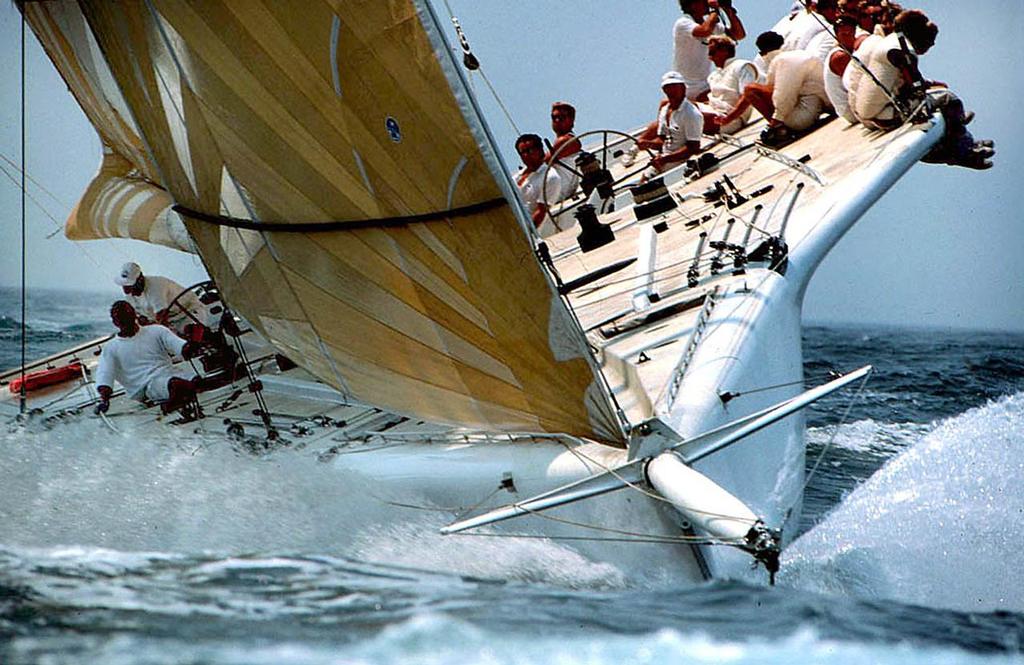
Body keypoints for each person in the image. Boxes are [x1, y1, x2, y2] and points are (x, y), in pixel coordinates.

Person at [717, 31, 830, 146]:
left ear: (762, 53)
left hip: (801, 119)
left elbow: (783, 96)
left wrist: (774, 123)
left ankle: (780, 130)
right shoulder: (798, 53)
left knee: (751, 90)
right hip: (820, 106)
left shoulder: (780, 61)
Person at [94, 300, 201, 415]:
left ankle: (182, 397)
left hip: (170, 374)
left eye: (128, 315)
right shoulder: (111, 348)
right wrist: (104, 400)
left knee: (198, 381)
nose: (125, 320)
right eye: (121, 318)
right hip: (146, 386)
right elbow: (105, 374)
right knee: (178, 385)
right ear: (115, 322)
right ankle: (172, 405)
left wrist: (192, 344)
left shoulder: (157, 331)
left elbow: (180, 346)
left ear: (135, 314)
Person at [673, 0, 746, 103]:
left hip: (704, 85)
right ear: (693, 4)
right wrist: (714, 9)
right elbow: (704, 31)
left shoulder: (713, 26)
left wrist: (728, 10)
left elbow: (739, 35)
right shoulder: (683, 23)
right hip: (685, 85)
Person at [637, 71, 704, 182]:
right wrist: (648, 144)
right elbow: (662, 139)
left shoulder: (691, 113)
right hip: (664, 159)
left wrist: (665, 159)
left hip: (681, 162)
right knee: (642, 184)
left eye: (674, 86)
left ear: (683, 88)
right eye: (667, 87)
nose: (670, 91)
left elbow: (693, 148)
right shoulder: (665, 110)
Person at [115, 262, 207, 337]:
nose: (126, 290)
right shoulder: (129, 296)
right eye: (124, 285)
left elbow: (162, 318)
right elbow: (139, 318)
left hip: (189, 313)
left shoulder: (156, 287)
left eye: (129, 286)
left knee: (191, 334)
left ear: (140, 281)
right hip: (170, 322)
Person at [701, 35, 762, 134]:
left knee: (691, 116)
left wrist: (729, 118)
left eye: (712, 53)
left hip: (731, 117)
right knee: (671, 107)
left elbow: (747, 96)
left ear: (724, 51)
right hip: (712, 110)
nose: (710, 58)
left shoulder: (741, 66)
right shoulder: (713, 76)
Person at [515, 133, 565, 237]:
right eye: (522, 152)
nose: (526, 155)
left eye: (530, 150)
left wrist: (524, 234)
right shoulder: (515, 178)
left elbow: (541, 212)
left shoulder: (550, 177)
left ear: (540, 150)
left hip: (528, 233)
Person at [824, 15, 864, 124]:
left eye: (851, 33)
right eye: (844, 34)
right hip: (849, 110)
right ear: (837, 36)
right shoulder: (840, 56)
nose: (849, 37)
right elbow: (854, 85)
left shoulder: (852, 49)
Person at [545, 102, 582, 201]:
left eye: (561, 118)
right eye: (554, 118)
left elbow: (542, 163)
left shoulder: (567, 140)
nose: (557, 120)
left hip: (559, 196)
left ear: (571, 121)